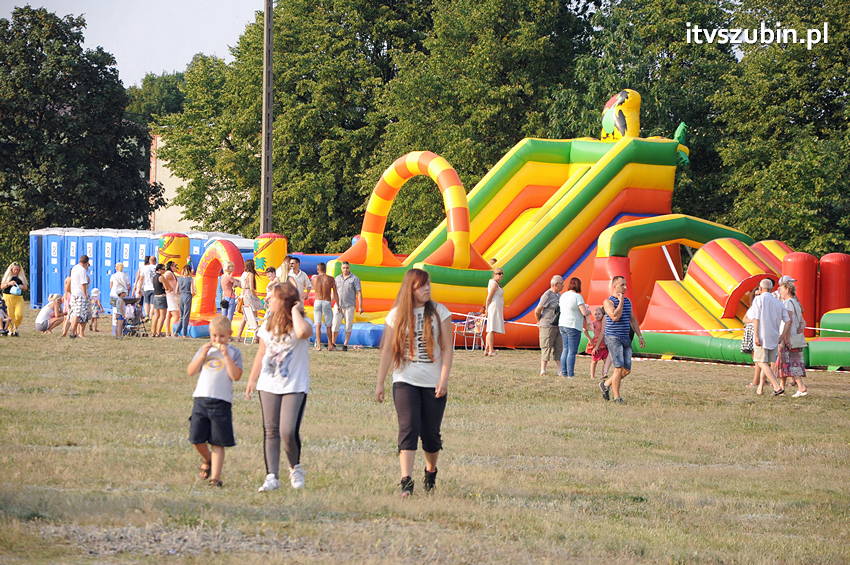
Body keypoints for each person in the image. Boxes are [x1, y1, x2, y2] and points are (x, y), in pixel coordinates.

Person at [375, 269, 453, 497]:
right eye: (421, 286)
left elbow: (448, 349)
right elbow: (388, 350)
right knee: (408, 428)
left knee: (430, 435)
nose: (427, 289)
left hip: (432, 381)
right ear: (410, 288)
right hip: (404, 379)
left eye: (428, 284)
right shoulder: (396, 314)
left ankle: (430, 470)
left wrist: (443, 379)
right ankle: (406, 481)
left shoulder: (440, 312)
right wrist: (380, 382)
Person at [244, 282, 312, 492]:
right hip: (269, 383)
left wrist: (294, 310)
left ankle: (295, 467)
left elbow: (303, 333)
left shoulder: (301, 322)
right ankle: (272, 476)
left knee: (287, 431)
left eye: (272, 297)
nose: (268, 300)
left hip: (294, 385)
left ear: (284, 300)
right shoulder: (267, 325)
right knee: (271, 430)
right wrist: (252, 379)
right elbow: (261, 352)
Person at [186, 315, 243, 487]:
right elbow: (191, 371)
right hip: (201, 398)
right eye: (214, 336)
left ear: (229, 335)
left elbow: (236, 376)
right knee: (196, 438)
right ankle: (208, 459)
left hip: (221, 401)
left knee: (218, 441)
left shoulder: (234, 353)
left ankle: (215, 479)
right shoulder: (205, 350)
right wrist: (202, 354)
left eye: (222, 336)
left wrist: (226, 356)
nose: (217, 340)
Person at [599, 276, 645, 403]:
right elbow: (615, 317)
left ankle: (605, 385)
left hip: (625, 337)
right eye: (622, 285)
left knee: (626, 370)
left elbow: (633, 320)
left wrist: (640, 335)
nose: (625, 287)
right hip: (613, 337)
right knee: (618, 368)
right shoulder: (608, 302)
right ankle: (617, 397)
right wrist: (620, 302)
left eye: (625, 285)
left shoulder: (628, 301)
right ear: (615, 287)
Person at [749, 278, 788, 396]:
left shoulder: (758, 300)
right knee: (766, 363)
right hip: (774, 336)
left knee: (760, 361)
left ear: (760, 289)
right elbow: (787, 321)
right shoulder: (779, 302)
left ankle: (777, 387)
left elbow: (755, 318)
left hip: (762, 335)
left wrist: (755, 335)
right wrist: (782, 335)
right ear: (771, 289)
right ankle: (760, 388)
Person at [778, 281, 808, 397]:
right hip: (796, 337)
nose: (780, 291)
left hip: (789, 338)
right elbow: (802, 322)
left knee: (791, 363)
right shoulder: (796, 303)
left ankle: (801, 387)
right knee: (790, 362)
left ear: (787, 289)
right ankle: (783, 386)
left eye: (781, 288)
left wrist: (785, 338)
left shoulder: (788, 303)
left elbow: (788, 322)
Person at [558, 277, 589, 378]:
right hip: (573, 325)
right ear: (578, 286)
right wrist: (589, 311)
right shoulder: (577, 296)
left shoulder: (563, 296)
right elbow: (583, 312)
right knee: (572, 351)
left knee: (565, 349)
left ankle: (564, 372)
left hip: (562, 324)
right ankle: (570, 374)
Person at [533, 275, 563, 376]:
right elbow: (537, 310)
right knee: (546, 346)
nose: (563, 285)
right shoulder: (547, 295)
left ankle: (560, 370)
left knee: (559, 347)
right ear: (555, 284)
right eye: (561, 283)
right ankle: (543, 369)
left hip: (557, 325)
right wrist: (539, 321)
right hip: (547, 325)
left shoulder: (559, 295)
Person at [334, 261, 363, 351]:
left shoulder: (354, 279)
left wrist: (360, 306)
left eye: (347, 268)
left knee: (348, 326)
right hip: (338, 306)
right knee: (335, 325)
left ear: (349, 268)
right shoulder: (337, 278)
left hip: (349, 306)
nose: (345, 269)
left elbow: (359, 293)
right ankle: (333, 343)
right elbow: (334, 292)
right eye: (344, 268)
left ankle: (345, 344)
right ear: (341, 269)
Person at [311, 262, 338, 351]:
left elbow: (312, 290)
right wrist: (338, 304)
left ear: (318, 269)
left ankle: (318, 345)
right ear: (325, 269)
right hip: (326, 301)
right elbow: (335, 293)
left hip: (317, 301)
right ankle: (330, 345)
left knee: (317, 325)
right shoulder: (331, 279)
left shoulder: (314, 279)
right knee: (328, 325)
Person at [1, 262, 29, 336]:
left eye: (18, 270)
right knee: (10, 315)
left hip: (18, 298)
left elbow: (26, 287)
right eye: (15, 269)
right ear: (11, 269)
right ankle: (11, 330)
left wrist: (21, 286)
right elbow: (1, 286)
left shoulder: (21, 277)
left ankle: (15, 327)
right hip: (7, 297)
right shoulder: (7, 277)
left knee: (19, 314)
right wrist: (8, 283)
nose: (16, 271)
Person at [237, 259, 262, 341]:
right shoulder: (251, 274)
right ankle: (256, 337)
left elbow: (241, 285)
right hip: (249, 295)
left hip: (243, 295)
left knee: (246, 316)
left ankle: (238, 336)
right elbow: (251, 287)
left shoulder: (244, 274)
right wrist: (256, 296)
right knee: (254, 316)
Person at [67, 255, 91, 339]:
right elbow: (83, 283)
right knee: (82, 314)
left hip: (74, 294)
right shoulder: (82, 270)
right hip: (80, 294)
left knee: (74, 313)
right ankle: (77, 332)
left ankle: (73, 331)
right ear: (87, 262)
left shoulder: (74, 268)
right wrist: (85, 295)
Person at [483, 268, 505, 356]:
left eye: (501, 274)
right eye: (499, 273)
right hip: (493, 308)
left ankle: (487, 349)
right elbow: (489, 298)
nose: (500, 275)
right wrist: (486, 309)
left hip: (496, 308)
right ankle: (491, 350)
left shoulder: (495, 284)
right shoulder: (494, 284)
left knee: (490, 329)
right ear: (494, 274)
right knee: (491, 329)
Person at [585, 307, 610, 380]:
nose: (597, 316)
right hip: (596, 345)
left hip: (604, 345)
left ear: (603, 314)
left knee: (606, 361)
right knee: (594, 361)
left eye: (599, 314)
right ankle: (592, 376)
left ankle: (604, 374)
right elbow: (585, 330)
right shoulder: (594, 323)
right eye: (595, 314)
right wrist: (590, 339)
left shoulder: (605, 322)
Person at [176, 264, 196, 337]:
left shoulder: (179, 278)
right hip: (187, 296)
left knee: (181, 316)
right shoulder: (190, 279)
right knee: (186, 316)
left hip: (181, 296)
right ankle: (184, 333)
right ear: (189, 271)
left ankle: (177, 331)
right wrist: (194, 295)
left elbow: (176, 290)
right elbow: (192, 291)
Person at [135, 256, 157, 320]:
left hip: (147, 287)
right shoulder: (157, 267)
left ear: (150, 261)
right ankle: (150, 316)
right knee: (152, 303)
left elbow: (141, 279)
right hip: (155, 288)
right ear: (155, 261)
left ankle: (147, 315)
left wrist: (138, 288)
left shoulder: (145, 268)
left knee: (147, 302)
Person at [162, 261, 180, 337]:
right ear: (171, 266)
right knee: (176, 315)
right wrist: (167, 287)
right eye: (175, 266)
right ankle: (173, 332)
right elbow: (163, 278)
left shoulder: (171, 273)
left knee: (168, 316)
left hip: (171, 295)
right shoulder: (169, 273)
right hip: (172, 296)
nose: (176, 267)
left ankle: (167, 332)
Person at [150, 263, 168, 337]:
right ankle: (158, 332)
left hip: (156, 296)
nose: (165, 270)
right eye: (163, 269)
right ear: (159, 270)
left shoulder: (154, 277)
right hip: (162, 297)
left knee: (156, 315)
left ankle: (153, 332)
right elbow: (167, 287)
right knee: (162, 316)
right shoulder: (161, 277)